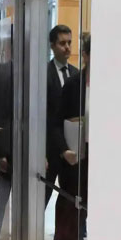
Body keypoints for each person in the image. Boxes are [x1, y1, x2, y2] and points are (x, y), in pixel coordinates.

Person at [51, 33, 91, 240]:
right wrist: (64, 150)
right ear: (86, 56)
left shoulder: (114, 84)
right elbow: (56, 123)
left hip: (101, 163)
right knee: (67, 217)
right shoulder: (73, 84)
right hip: (75, 161)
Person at [46, 25, 79, 206]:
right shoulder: (44, 74)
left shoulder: (76, 74)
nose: (67, 47)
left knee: (70, 202)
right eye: (62, 43)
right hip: (50, 151)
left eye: (69, 43)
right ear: (52, 45)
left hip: (71, 151)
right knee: (42, 199)